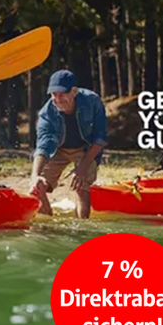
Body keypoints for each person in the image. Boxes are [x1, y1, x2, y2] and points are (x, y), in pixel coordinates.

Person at [30, 70, 108, 218]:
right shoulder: (46, 114)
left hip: (85, 150)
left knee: (81, 186)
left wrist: (82, 169)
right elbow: (43, 147)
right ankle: (49, 225)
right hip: (57, 151)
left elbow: (100, 139)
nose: (57, 99)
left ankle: (81, 226)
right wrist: (35, 176)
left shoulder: (92, 101)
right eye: (53, 94)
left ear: (74, 91)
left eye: (62, 94)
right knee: (37, 186)